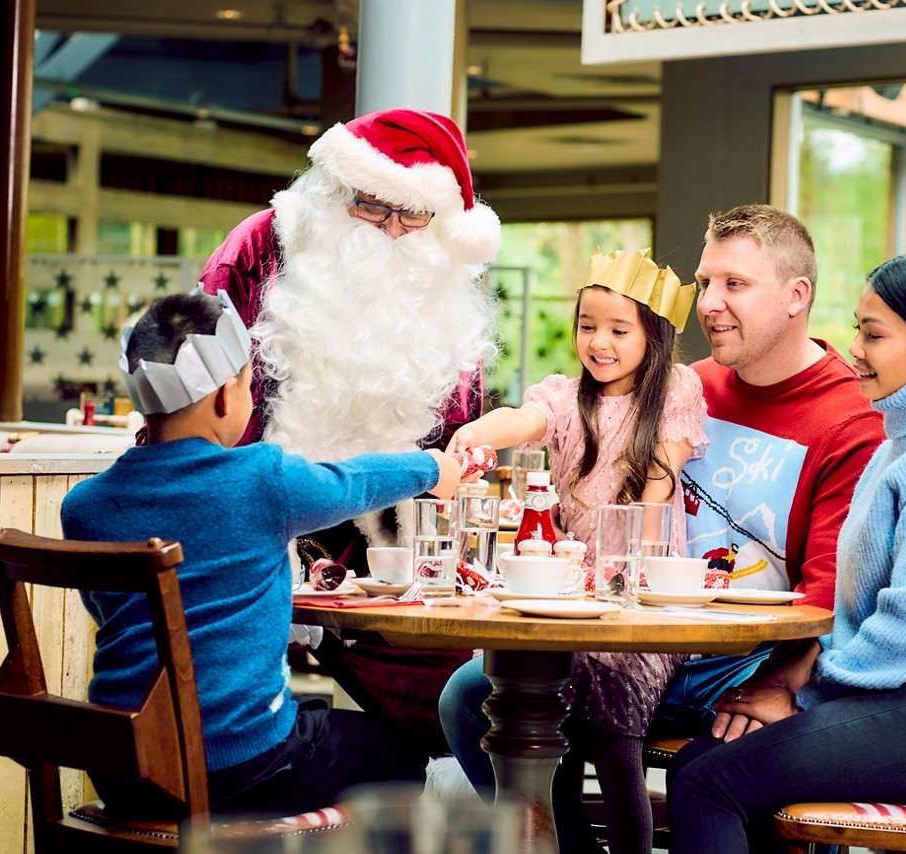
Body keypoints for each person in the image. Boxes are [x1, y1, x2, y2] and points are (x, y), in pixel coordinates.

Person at [61, 291, 465, 816]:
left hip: (120, 771)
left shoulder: (84, 508)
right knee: (402, 756)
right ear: (224, 398)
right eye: (249, 384)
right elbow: (353, 482)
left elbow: (115, 613)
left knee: (316, 721)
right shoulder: (261, 480)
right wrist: (433, 468)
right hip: (239, 770)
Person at [198, 108, 500, 752]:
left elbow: (456, 435)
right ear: (336, 193)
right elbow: (199, 394)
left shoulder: (442, 273)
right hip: (257, 523)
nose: (391, 230)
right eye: (371, 207)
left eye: (411, 215)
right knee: (239, 708)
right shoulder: (260, 247)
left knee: (458, 713)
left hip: (389, 542)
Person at [666, 251, 906, 852]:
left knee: (710, 782)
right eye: (858, 329)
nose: (854, 349)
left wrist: (800, 694)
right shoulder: (895, 446)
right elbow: (852, 611)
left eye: (874, 335)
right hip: (901, 690)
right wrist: (796, 684)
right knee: (700, 763)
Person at [441, 248, 708, 853]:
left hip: (641, 609)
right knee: (477, 698)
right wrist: (475, 432)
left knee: (613, 738)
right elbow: (523, 419)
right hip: (570, 606)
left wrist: (626, 580)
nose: (599, 342)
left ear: (654, 336)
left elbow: (655, 491)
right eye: (588, 326)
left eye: (619, 329)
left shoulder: (674, 393)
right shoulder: (566, 398)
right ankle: (560, 843)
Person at [655, 204, 885, 734]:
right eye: (705, 283)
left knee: (720, 766)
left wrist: (782, 682)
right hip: (650, 642)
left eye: (734, 284)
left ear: (795, 295)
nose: (709, 303)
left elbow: (832, 589)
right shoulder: (687, 387)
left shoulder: (853, 419)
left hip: (753, 660)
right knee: (476, 691)